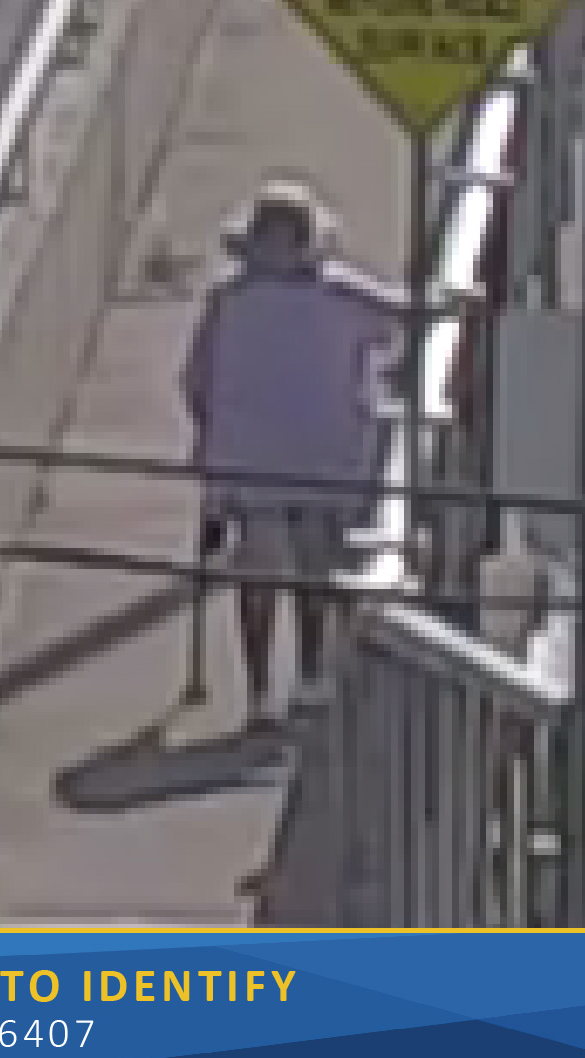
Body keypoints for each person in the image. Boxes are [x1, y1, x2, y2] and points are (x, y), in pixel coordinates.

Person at [182, 180, 404, 726]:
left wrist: (214, 450)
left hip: (256, 462)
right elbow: (405, 325)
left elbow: (195, 384)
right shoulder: (343, 298)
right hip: (320, 458)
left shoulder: (228, 304)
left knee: (269, 579)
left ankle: (269, 690)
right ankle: (301, 680)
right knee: (310, 572)